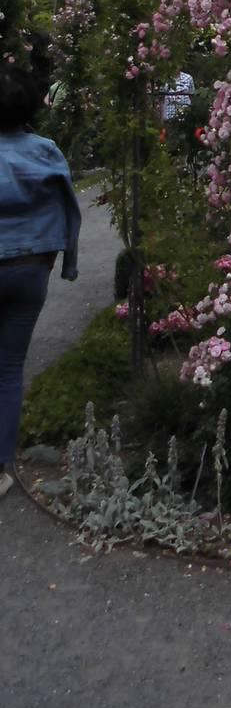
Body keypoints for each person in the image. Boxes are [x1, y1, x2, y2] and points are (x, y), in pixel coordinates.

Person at [0, 58, 80, 498]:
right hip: (30, 270)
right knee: (9, 369)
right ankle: (0, 468)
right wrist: (63, 263)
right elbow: (68, 209)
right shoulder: (46, 150)